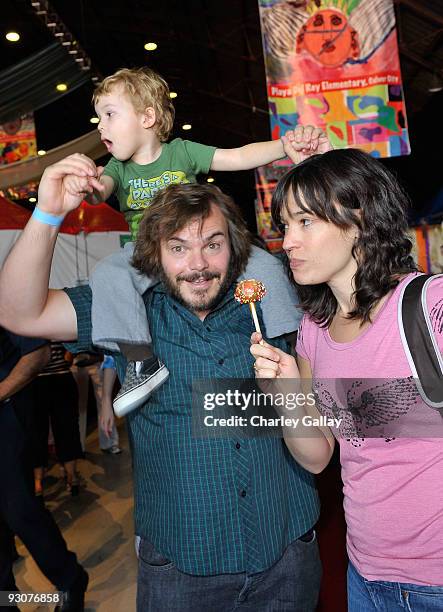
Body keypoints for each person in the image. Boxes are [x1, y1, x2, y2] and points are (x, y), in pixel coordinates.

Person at [0, 153, 325, 611]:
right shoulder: (129, 311)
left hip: (287, 553)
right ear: (153, 253)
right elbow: (18, 312)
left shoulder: (271, 307)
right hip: (182, 570)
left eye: (213, 244)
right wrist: (49, 211)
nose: (198, 264)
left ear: (235, 246)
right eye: (178, 248)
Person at [71, 67, 330, 415]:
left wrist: (284, 146)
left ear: (147, 117)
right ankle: (141, 361)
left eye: (110, 115)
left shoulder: (182, 152)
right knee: (107, 273)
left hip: (201, 244)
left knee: (265, 263)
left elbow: (237, 156)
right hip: (149, 251)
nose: (100, 126)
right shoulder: (118, 170)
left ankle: (294, 343)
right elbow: (100, 191)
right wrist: (87, 185)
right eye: (99, 117)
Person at [250, 148, 443, 611]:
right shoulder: (313, 331)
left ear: (357, 217)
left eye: (305, 222)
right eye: (285, 227)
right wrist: (287, 395)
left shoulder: (428, 306)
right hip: (366, 575)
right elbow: (318, 456)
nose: (288, 242)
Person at [0, 328, 88, 611]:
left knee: (21, 511)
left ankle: (70, 579)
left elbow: (37, 353)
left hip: (7, 415)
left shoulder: (5, 298)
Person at [33, 342, 83, 497]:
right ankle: (72, 477)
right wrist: (69, 354)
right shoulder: (54, 318)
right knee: (67, 430)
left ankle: (37, 483)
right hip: (61, 377)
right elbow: (72, 341)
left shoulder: (29, 322)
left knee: (36, 432)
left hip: (36, 381)